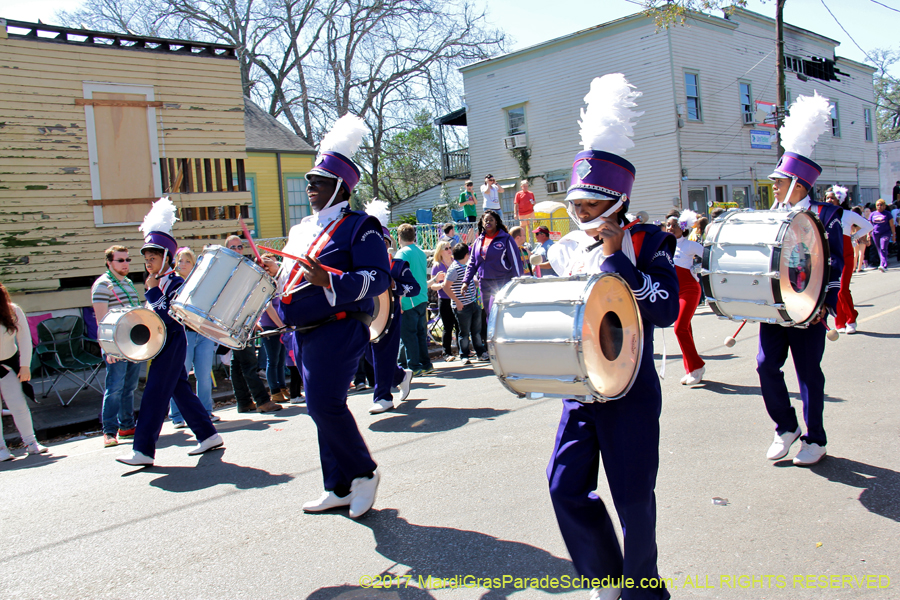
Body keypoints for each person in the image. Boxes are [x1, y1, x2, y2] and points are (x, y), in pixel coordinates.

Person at [544, 74, 677, 600]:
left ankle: (644, 592)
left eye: (589, 207)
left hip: (630, 393)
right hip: (580, 392)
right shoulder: (564, 250)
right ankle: (605, 577)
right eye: (576, 207)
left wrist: (618, 259)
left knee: (634, 501)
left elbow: (665, 308)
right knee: (563, 486)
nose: (579, 216)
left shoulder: (650, 242)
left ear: (616, 204)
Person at [259, 114, 390, 519]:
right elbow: (293, 280)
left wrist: (330, 277)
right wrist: (273, 277)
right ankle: (337, 485)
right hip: (305, 332)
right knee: (320, 408)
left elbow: (378, 277)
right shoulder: (302, 230)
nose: (310, 188)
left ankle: (364, 474)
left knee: (323, 405)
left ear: (339, 186)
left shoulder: (359, 227)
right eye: (309, 181)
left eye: (317, 182)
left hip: (340, 327)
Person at [759, 92, 843, 468]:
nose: (773, 187)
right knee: (765, 366)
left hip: (809, 307)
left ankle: (816, 438)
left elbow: (837, 263)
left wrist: (827, 307)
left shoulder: (827, 216)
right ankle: (785, 426)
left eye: (779, 181)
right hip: (775, 306)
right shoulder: (770, 215)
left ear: (797, 183)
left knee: (808, 373)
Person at [117, 198, 223, 466]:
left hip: (174, 340)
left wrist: (153, 291)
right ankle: (208, 435)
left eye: (153, 258)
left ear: (166, 257)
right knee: (179, 389)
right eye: (146, 258)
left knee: (154, 393)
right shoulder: (155, 281)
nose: (148, 263)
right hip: (162, 342)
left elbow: (170, 316)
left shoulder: (175, 283)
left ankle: (142, 450)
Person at [365, 200, 417, 414]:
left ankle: (383, 396)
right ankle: (400, 376)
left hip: (390, 313)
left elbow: (413, 288)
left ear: (387, 244)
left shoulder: (396, 266)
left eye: (382, 243)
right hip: (367, 314)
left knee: (382, 353)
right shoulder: (363, 268)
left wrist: (395, 286)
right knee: (367, 353)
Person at [92, 245, 142, 448]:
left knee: (130, 387)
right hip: (116, 344)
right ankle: (109, 431)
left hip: (132, 342)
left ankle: (127, 426)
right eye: (120, 260)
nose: (125, 264)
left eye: (127, 260)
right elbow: (101, 321)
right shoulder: (102, 285)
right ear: (109, 262)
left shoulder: (128, 283)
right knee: (115, 388)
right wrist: (107, 348)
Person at [226, 236, 283, 414]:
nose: (237, 250)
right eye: (233, 247)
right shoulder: (229, 270)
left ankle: (243, 402)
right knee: (249, 361)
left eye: (239, 247)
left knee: (237, 363)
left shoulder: (242, 269)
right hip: (237, 322)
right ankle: (262, 400)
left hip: (244, 320)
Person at [168, 247, 219, 428]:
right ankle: (177, 415)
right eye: (180, 260)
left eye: (187, 261)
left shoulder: (200, 282)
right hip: (184, 335)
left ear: (194, 264)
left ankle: (206, 411)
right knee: (180, 375)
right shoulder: (172, 283)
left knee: (204, 375)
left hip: (203, 333)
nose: (182, 264)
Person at [0, 281, 48, 461]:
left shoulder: (12, 310)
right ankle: (1, 449)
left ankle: (31, 443)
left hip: (9, 364)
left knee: (18, 405)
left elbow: (25, 339)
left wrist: (25, 365)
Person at [666, 211, 705, 385]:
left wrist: (698, 269)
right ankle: (691, 369)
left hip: (689, 290)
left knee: (679, 328)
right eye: (668, 225)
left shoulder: (689, 246)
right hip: (675, 293)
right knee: (685, 329)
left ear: (682, 227)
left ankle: (697, 366)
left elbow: (710, 257)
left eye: (674, 225)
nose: (670, 228)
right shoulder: (664, 246)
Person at [826, 187, 872, 334]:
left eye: (832, 198)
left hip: (845, 256)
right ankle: (839, 322)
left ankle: (851, 319)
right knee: (834, 288)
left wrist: (853, 237)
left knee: (842, 289)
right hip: (831, 257)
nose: (829, 200)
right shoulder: (824, 215)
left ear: (840, 199)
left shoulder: (848, 214)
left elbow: (868, 226)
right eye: (827, 198)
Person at [460, 210, 522, 319]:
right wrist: (466, 281)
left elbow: (516, 262)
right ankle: (491, 335)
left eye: (491, 220)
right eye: (486, 220)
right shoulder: (478, 241)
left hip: (502, 281)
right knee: (489, 313)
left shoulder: (506, 239)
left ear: (496, 222)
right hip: (484, 283)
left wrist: (518, 282)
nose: (488, 222)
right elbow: (472, 263)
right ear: (482, 223)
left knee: (501, 311)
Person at [395, 223, 433, 376]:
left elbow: (398, 279)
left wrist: (399, 302)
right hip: (422, 297)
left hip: (408, 300)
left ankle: (414, 366)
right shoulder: (420, 252)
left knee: (409, 335)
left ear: (399, 238)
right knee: (420, 333)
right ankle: (426, 364)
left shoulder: (401, 254)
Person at [443, 243, 487, 363]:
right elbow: (445, 286)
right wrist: (457, 302)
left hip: (473, 302)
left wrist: (478, 282)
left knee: (476, 331)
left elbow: (471, 281)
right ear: (466, 254)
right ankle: (464, 355)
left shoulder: (467, 266)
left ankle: (480, 352)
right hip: (462, 305)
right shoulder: (454, 269)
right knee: (464, 332)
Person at [258, 253, 289, 405]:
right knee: (273, 359)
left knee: (281, 359)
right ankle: (275, 391)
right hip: (270, 325)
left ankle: (282, 388)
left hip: (280, 325)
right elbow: (269, 308)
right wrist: (282, 327)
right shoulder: (263, 283)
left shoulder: (278, 282)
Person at [429, 240, 460, 361]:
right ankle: (446, 353)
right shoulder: (437, 266)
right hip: (444, 299)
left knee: (459, 325)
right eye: (446, 248)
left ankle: (461, 350)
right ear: (440, 251)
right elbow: (433, 286)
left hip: (456, 297)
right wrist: (443, 285)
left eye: (449, 247)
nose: (449, 250)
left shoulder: (455, 262)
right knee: (447, 327)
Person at [868, 199, 895, 272]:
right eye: (878, 205)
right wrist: (868, 234)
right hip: (875, 233)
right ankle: (884, 263)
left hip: (885, 233)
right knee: (879, 249)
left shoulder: (887, 214)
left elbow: (892, 225)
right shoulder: (872, 214)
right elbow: (870, 225)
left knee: (883, 247)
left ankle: (882, 264)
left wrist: (893, 235)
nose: (879, 206)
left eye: (881, 205)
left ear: (884, 206)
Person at [851, 207, 870, 273]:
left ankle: (853, 268)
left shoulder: (852, 221)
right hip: (862, 236)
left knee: (855, 254)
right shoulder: (862, 220)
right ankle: (859, 268)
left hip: (854, 236)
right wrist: (868, 237)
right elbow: (867, 228)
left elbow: (850, 230)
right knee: (861, 253)